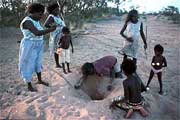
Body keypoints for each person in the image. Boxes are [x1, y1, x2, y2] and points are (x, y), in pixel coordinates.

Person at [19, 3, 56, 92]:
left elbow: (41, 31)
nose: (42, 16)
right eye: (40, 14)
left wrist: (50, 28)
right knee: (29, 64)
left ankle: (39, 80)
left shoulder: (36, 20)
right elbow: (37, 33)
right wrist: (51, 30)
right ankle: (29, 84)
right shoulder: (27, 22)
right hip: (30, 46)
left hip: (38, 45)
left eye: (42, 13)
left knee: (38, 63)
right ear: (33, 12)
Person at [44, 3, 66, 68]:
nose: (58, 10)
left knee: (59, 48)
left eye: (58, 9)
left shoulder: (57, 16)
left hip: (61, 34)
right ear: (52, 10)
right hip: (57, 35)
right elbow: (46, 24)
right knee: (57, 49)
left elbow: (62, 22)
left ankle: (59, 62)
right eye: (56, 10)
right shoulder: (51, 16)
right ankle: (57, 64)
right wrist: (53, 26)